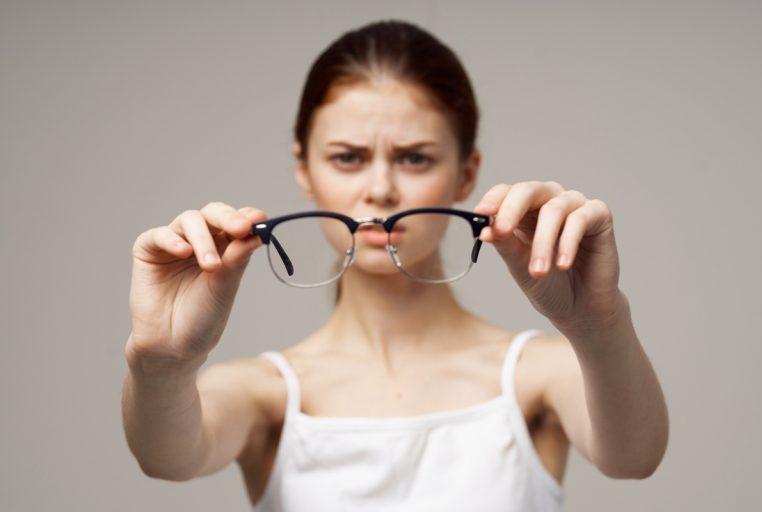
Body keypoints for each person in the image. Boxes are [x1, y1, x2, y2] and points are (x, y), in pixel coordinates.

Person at [122, 19, 669, 511]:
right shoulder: (264, 394)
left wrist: (598, 323)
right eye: (348, 158)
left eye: (414, 158)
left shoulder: (538, 376)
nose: (380, 189)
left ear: (465, 172)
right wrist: (162, 362)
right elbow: (167, 458)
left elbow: (634, 457)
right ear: (304, 170)